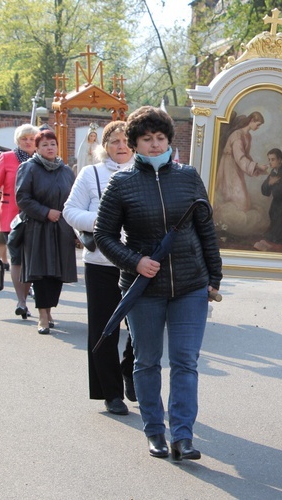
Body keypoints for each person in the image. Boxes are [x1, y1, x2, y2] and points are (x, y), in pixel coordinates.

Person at [95, 106, 222, 460]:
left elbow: (205, 230)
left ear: (169, 140)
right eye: (146, 139)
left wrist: (214, 277)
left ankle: (183, 435)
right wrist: (135, 261)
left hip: (190, 285)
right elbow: (103, 236)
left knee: (185, 361)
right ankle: (154, 432)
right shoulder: (121, 183)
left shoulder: (188, 177)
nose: (154, 145)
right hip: (143, 289)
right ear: (134, 144)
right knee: (147, 361)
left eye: (160, 138)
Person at [63, 121, 136, 416]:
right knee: (104, 330)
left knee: (142, 329)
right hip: (101, 263)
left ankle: (130, 368)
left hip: (138, 264)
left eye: (126, 140)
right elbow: (70, 211)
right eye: (114, 141)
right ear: (104, 145)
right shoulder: (90, 173)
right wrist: (102, 222)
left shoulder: (146, 173)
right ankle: (110, 393)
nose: (121, 146)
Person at [15, 129, 77, 335]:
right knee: (41, 272)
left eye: (52, 144)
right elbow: (22, 198)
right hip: (38, 227)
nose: (50, 148)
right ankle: (42, 315)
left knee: (57, 273)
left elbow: (74, 199)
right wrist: (45, 212)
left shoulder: (66, 171)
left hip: (62, 228)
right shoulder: (29, 168)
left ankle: (49, 310)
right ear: (37, 148)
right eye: (45, 145)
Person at [0, 125, 39, 318]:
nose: (28, 141)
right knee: (17, 259)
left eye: (32, 138)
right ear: (17, 141)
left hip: (35, 217)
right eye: (24, 138)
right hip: (10, 217)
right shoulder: (6, 158)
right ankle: (21, 301)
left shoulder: (40, 159)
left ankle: (26, 294)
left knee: (30, 259)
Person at [216, 111, 268, 211]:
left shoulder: (248, 136)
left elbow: (246, 156)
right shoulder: (237, 135)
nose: (258, 128)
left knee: (243, 202)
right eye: (258, 125)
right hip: (229, 167)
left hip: (238, 167)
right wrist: (257, 166)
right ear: (252, 120)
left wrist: (258, 169)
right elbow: (239, 157)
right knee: (239, 200)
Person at [254, 148, 282, 252]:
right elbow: (264, 191)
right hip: (277, 204)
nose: (270, 162)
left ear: (279, 160)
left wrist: (274, 184)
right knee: (274, 222)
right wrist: (270, 183)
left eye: (272, 159)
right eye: (269, 159)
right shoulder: (273, 173)